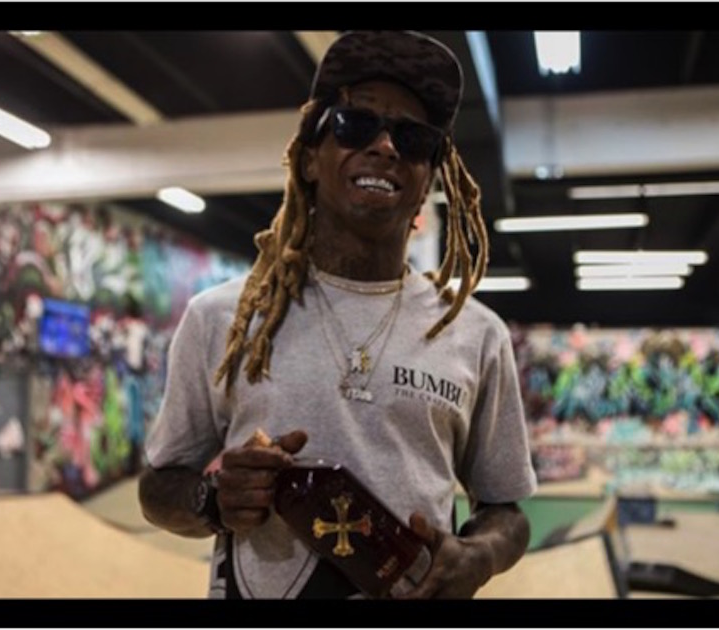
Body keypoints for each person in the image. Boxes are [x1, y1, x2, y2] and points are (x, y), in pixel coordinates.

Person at [138, 30, 536, 599]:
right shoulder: (221, 318)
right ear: (308, 159)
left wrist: (481, 554)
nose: (386, 147)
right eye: (355, 124)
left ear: (427, 181)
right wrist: (213, 499)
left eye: (413, 139)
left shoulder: (475, 334)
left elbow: (506, 511)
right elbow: (158, 488)